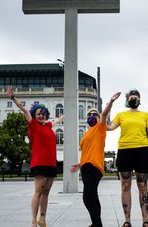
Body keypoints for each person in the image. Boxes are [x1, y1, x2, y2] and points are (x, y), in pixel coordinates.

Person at [7, 86, 65, 227]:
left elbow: (56, 121)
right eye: (38, 113)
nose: (41, 115)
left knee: (46, 193)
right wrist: (13, 98)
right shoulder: (33, 125)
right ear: (34, 115)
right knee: (38, 192)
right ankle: (34, 220)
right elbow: (25, 110)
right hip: (39, 163)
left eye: (43, 113)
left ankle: (42, 218)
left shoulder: (48, 126)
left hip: (51, 163)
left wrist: (63, 116)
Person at [70, 92, 121, 227]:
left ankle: (97, 224)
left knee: (87, 197)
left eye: (94, 114)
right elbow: (89, 151)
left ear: (98, 118)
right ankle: (96, 224)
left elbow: (104, 114)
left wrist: (111, 101)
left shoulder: (100, 128)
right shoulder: (87, 133)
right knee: (93, 196)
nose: (91, 116)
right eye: (89, 115)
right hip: (85, 167)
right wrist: (80, 164)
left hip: (95, 167)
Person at [107, 89, 148, 227]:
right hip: (124, 151)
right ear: (127, 100)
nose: (133, 99)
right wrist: (110, 104)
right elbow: (108, 127)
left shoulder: (146, 115)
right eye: (131, 97)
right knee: (125, 186)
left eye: (136, 97)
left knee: (143, 185)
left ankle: (145, 220)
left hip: (142, 151)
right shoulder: (121, 115)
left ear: (139, 100)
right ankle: (127, 220)